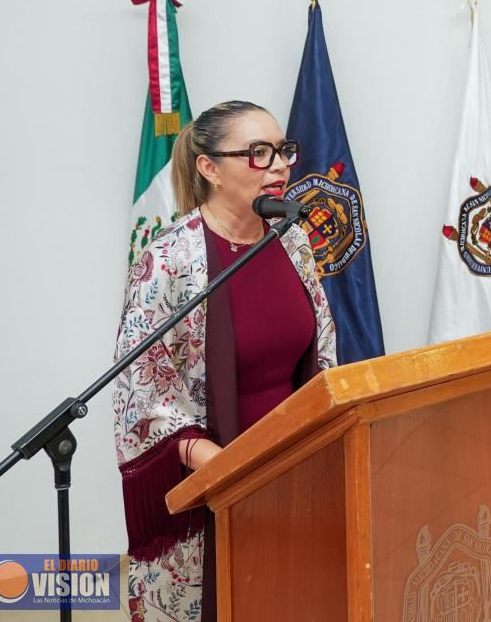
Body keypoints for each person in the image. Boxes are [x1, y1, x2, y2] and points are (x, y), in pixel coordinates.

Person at [112, 101, 337, 622]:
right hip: (216, 482)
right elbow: (143, 393)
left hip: (296, 476)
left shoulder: (293, 240)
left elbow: (323, 350)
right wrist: (232, 470)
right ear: (209, 168)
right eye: (259, 153)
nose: (280, 164)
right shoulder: (169, 259)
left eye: (283, 150)